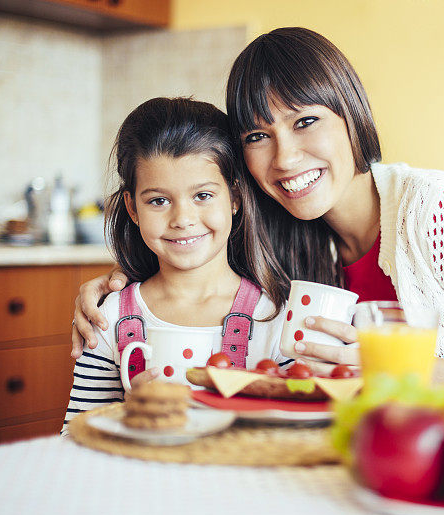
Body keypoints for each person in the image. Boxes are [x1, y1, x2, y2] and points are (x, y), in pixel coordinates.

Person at [72, 28, 444, 403]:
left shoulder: (436, 212)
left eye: (305, 121)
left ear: (351, 114)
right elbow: (189, 261)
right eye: (258, 136)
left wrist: (397, 369)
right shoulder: (280, 234)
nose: (285, 158)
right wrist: (115, 289)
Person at [63, 97, 290, 433]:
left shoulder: (275, 316)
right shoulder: (108, 317)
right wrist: (129, 419)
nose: (182, 219)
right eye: (158, 200)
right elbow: (74, 438)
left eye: (203, 196)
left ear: (235, 197)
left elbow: (298, 436)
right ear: (132, 208)